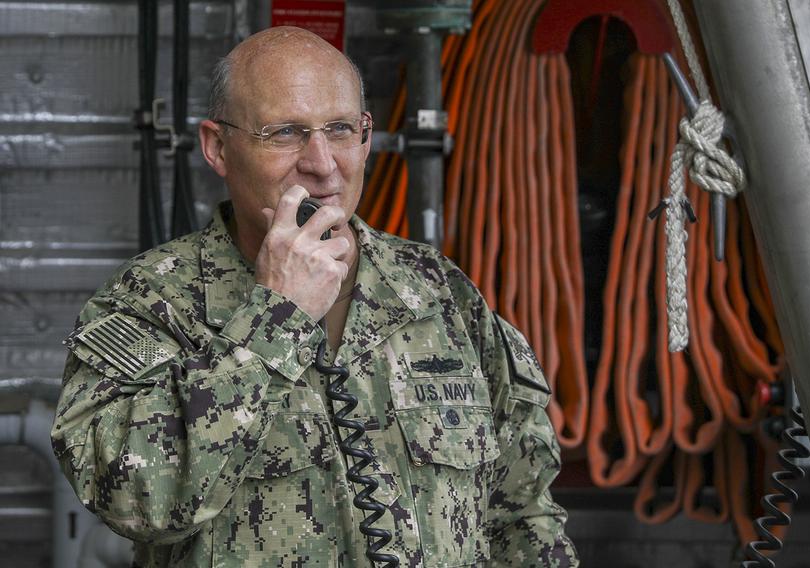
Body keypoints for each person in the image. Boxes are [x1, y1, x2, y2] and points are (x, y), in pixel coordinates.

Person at [51, 26, 578, 567]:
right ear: (218, 147)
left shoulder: (439, 291)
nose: (323, 164)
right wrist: (278, 316)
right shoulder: (149, 299)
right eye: (285, 132)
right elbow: (137, 501)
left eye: (342, 129)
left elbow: (522, 509)